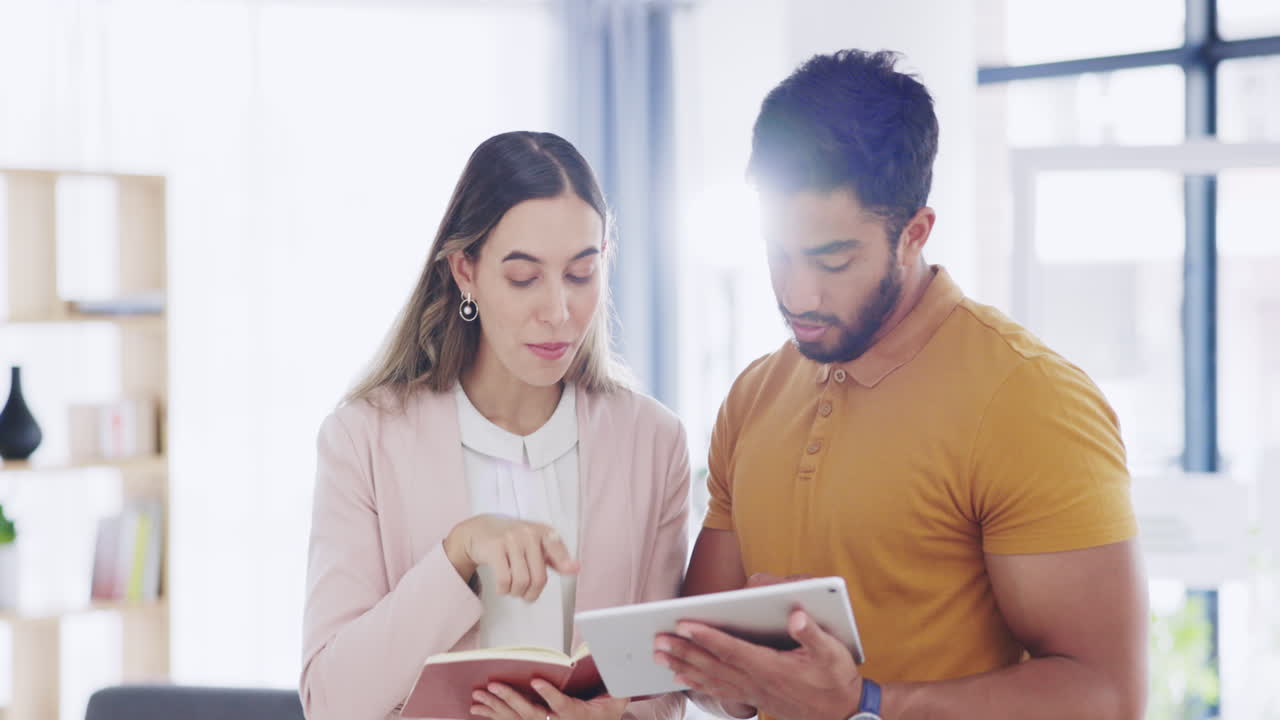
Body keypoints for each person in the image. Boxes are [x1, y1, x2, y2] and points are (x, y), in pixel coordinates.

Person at [654, 50, 1147, 720]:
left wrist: (865, 704)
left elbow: (1108, 696)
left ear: (913, 234)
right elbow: (709, 674)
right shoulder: (754, 394)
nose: (798, 293)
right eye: (778, 254)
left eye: (833, 259)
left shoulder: (1030, 400)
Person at [301, 131, 689, 720]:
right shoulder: (363, 439)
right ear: (465, 271)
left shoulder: (654, 443)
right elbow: (331, 702)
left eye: (581, 274)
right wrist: (457, 555)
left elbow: (662, 691)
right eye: (524, 277)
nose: (558, 310)